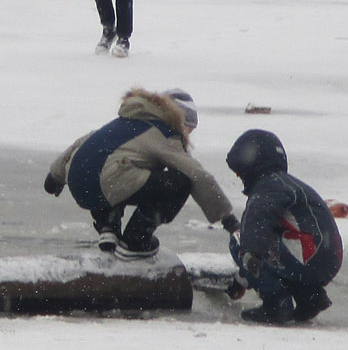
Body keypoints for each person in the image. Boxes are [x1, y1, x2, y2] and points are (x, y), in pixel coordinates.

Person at [44, 88, 237, 259]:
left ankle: (108, 226)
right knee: (180, 182)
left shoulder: (124, 123)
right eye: (188, 129)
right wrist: (228, 219)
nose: (187, 135)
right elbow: (197, 175)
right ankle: (136, 240)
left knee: (121, 168)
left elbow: (81, 145)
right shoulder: (163, 133)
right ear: (178, 119)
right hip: (108, 183)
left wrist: (55, 177)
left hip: (81, 186)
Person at [224, 129, 343, 324]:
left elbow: (255, 223)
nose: (239, 176)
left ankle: (276, 305)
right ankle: (310, 297)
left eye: (240, 171)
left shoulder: (267, 187)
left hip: (308, 256)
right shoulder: (289, 184)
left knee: (239, 238)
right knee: (281, 254)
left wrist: (248, 265)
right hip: (328, 259)